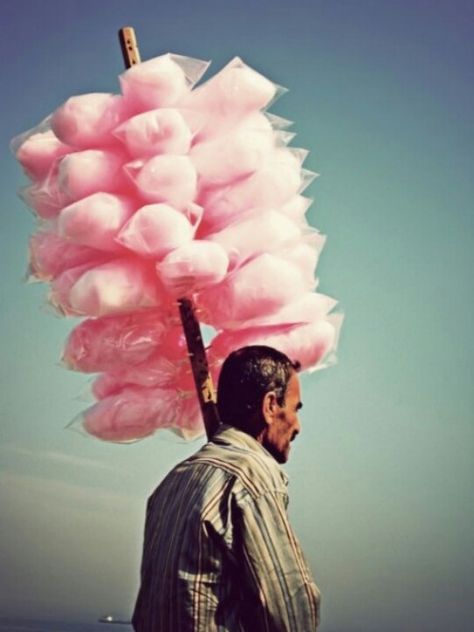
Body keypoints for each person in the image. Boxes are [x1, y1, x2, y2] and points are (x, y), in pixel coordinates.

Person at [132, 345, 320, 631]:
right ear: (270, 406)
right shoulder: (253, 476)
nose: (298, 426)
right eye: (295, 408)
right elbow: (291, 615)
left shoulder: (169, 484)